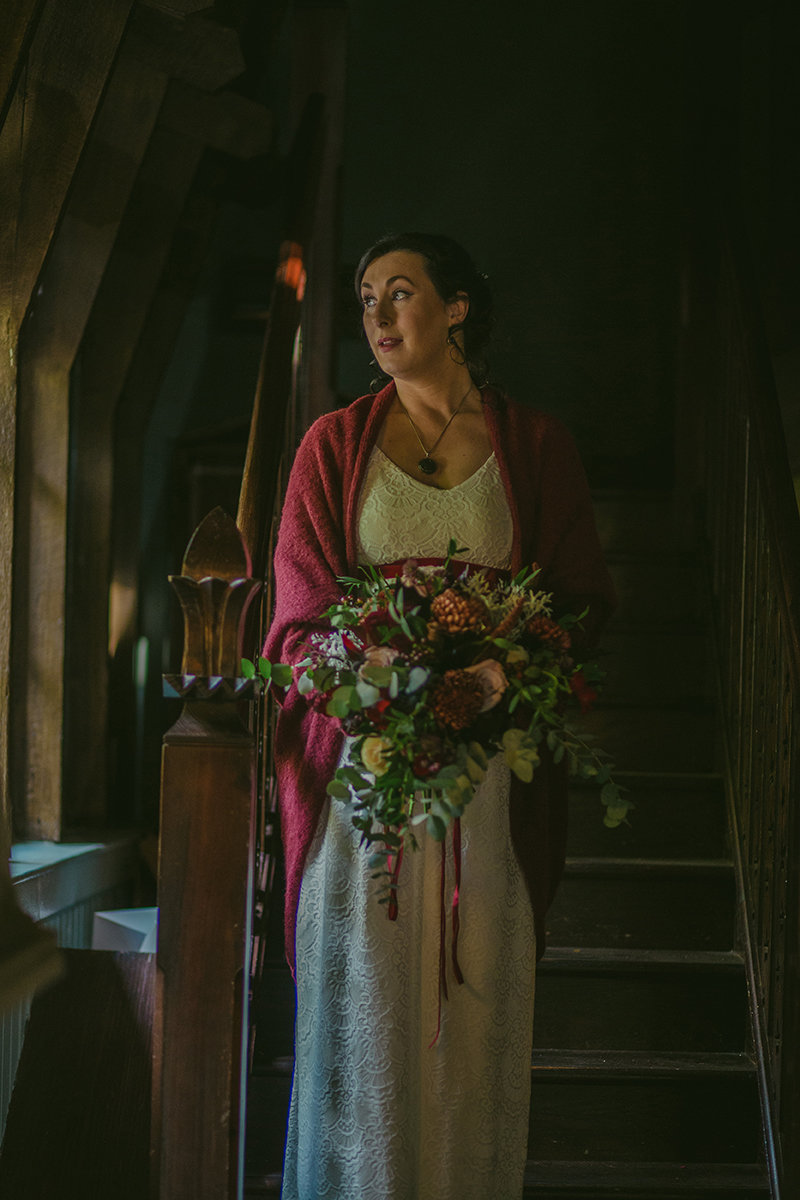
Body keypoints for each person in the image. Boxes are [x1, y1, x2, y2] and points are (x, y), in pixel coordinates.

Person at [264, 232, 617, 1199]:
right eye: (367, 297)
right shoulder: (330, 446)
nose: (376, 315)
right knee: (368, 1012)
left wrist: (503, 670)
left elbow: (580, 601)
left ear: (457, 308)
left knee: (470, 1010)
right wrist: (366, 669)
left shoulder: (536, 445)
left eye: (402, 293)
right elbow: (294, 625)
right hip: (366, 781)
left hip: (487, 784)